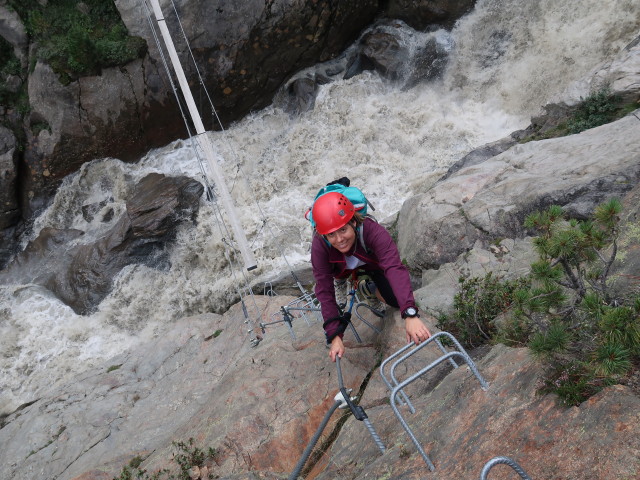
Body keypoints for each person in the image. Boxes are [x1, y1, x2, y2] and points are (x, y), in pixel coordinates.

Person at [310, 191, 432, 362]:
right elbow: (324, 289)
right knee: (337, 283)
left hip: (370, 263)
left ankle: (365, 286)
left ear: (353, 221)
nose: (339, 239)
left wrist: (410, 313)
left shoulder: (372, 231)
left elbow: (394, 267)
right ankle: (342, 280)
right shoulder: (320, 246)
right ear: (324, 235)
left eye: (343, 230)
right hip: (339, 268)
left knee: (396, 301)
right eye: (331, 235)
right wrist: (335, 336)